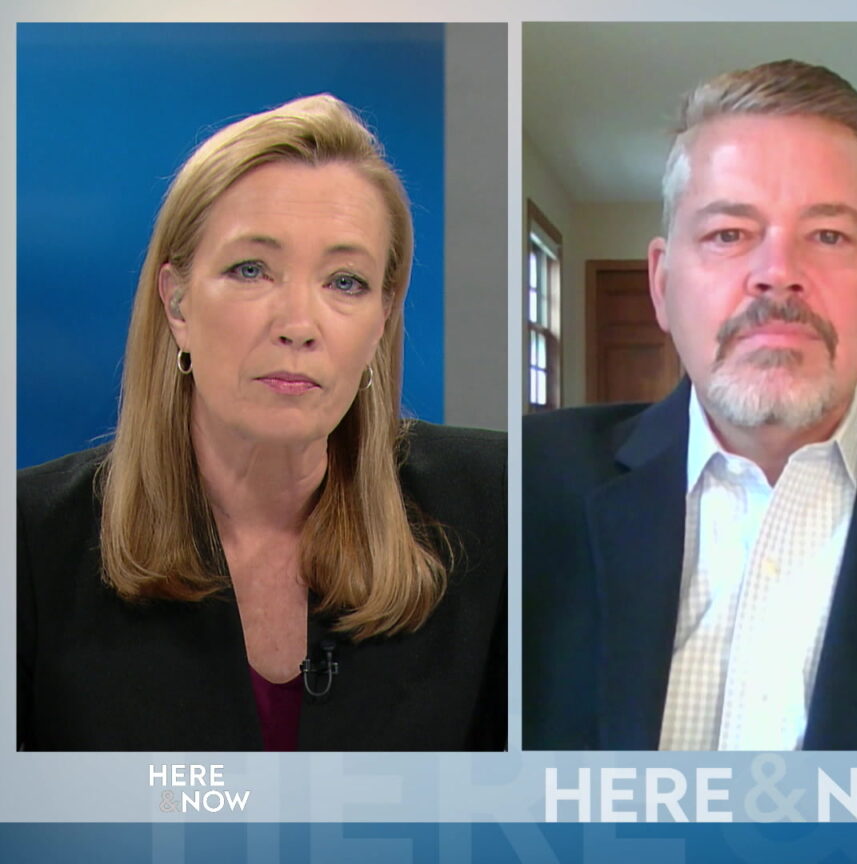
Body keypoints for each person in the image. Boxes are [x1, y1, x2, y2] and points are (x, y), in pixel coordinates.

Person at [523, 60, 857, 751]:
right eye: (729, 233)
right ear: (662, 285)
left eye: (829, 235)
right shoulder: (521, 491)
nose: (778, 272)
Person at [17, 95, 506, 751]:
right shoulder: (26, 545)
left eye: (345, 281)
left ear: (382, 319)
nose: (298, 326)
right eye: (252, 269)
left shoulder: (498, 509)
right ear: (178, 301)